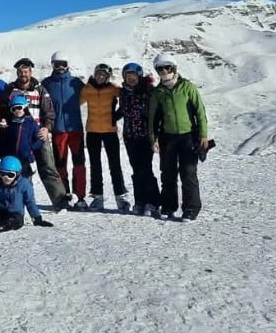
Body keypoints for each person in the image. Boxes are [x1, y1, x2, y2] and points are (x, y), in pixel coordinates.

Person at [1, 58, 70, 212]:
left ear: (31, 72)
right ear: (17, 73)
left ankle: (60, 200)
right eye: (20, 71)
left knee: (47, 166)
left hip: (38, 133)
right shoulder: (10, 90)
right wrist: (5, 121)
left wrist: (46, 128)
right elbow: (4, 110)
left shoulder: (40, 89)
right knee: (22, 169)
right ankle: (22, 201)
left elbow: (49, 112)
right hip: (19, 134)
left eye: (26, 71)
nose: (23, 74)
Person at [148, 54, 210, 221]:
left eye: (166, 68)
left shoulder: (187, 87)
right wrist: (153, 139)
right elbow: (153, 117)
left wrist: (203, 134)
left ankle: (191, 208)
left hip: (188, 136)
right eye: (159, 69)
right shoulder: (158, 92)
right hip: (167, 138)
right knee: (167, 173)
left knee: (188, 172)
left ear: (173, 68)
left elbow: (200, 111)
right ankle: (168, 206)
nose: (163, 71)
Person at [80, 63, 129, 212]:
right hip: (92, 131)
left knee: (115, 165)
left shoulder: (113, 89)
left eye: (104, 74)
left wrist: (118, 114)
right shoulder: (87, 89)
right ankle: (97, 197)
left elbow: (127, 99)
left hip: (110, 131)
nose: (100, 77)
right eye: (98, 74)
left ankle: (121, 197)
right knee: (95, 165)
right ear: (95, 74)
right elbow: (76, 101)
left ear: (108, 76)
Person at [41, 51, 87, 206]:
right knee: (60, 165)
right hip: (58, 130)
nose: (60, 67)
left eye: (63, 64)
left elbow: (94, 94)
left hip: (75, 130)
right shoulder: (47, 83)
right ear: (52, 65)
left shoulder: (76, 83)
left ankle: (80, 197)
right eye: (57, 64)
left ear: (68, 65)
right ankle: (64, 196)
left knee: (79, 164)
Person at [117, 62, 161, 217]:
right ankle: (140, 201)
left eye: (133, 76)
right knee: (136, 170)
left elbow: (157, 112)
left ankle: (154, 202)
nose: (131, 79)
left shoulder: (149, 91)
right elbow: (123, 109)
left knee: (146, 169)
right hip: (130, 136)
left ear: (139, 76)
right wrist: (113, 115)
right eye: (127, 77)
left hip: (145, 136)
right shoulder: (124, 93)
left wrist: (156, 134)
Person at [0, 95, 44, 177]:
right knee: (13, 178)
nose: (17, 111)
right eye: (14, 109)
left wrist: (31, 147)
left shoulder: (31, 124)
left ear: (25, 108)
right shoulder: (10, 126)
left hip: (26, 158)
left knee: (26, 179)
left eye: (19, 108)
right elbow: (4, 142)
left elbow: (40, 139)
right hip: (12, 159)